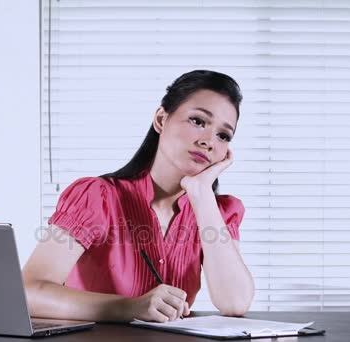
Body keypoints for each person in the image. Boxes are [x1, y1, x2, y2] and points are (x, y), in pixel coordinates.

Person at [22, 70, 255, 323]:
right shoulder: (97, 198)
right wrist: (130, 307)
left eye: (224, 136)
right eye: (198, 121)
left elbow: (235, 303)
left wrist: (201, 194)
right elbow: (29, 292)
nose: (209, 141)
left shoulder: (217, 212)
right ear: (161, 119)